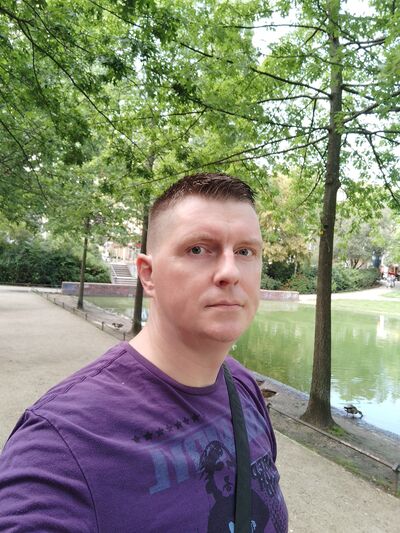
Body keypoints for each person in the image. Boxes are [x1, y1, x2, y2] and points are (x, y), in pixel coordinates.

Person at [0, 173, 288, 532]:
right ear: (148, 275)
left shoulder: (242, 387)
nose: (230, 272)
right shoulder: (62, 442)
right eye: (198, 249)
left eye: (245, 252)